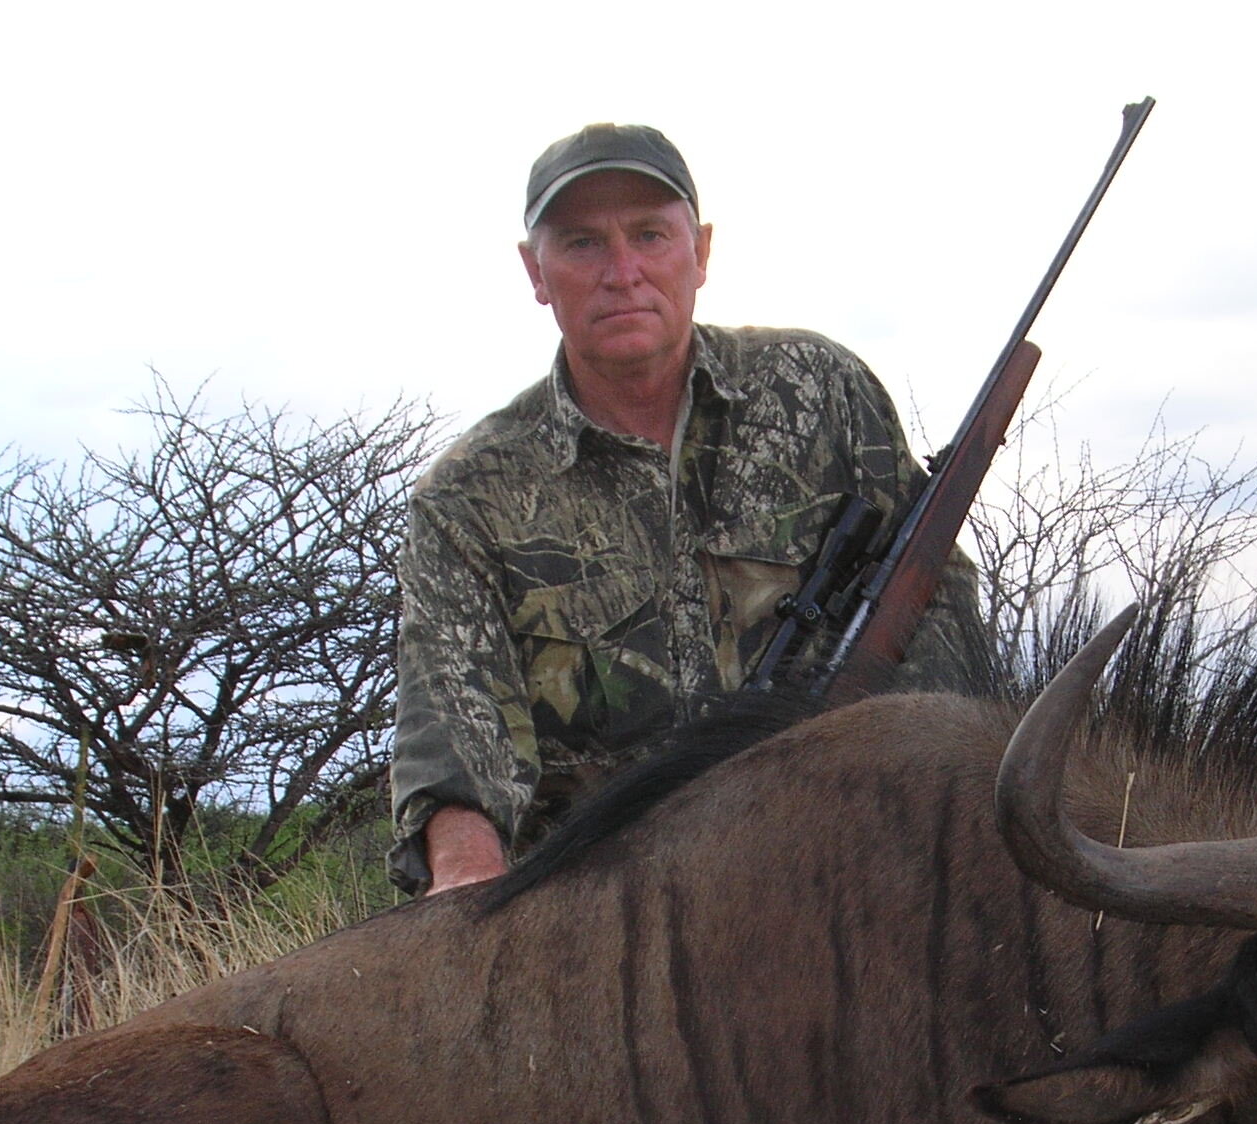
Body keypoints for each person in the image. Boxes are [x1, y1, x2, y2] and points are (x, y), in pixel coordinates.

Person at [389, 122, 988, 894]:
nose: (623, 272)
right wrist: (466, 880)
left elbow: (931, 595)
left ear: (699, 251)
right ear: (535, 271)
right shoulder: (470, 493)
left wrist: (924, 815)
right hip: (603, 906)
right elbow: (453, 733)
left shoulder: (821, 390)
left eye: (649, 235)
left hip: (856, 859)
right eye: (581, 243)